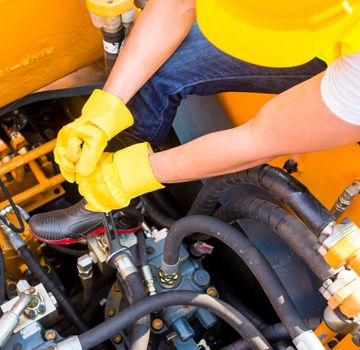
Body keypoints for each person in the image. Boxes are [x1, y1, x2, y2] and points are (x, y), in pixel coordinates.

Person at [30, 0, 360, 242]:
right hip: (298, 26)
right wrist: (104, 109)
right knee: (153, 73)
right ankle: (113, 208)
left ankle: (113, 196)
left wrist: (132, 175)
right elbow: (173, 6)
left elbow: (261, 138)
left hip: (342, 56)